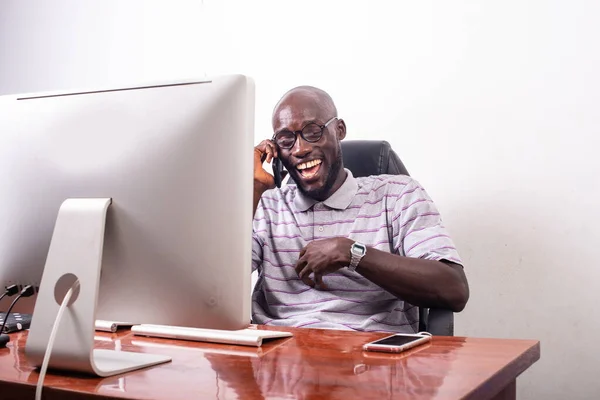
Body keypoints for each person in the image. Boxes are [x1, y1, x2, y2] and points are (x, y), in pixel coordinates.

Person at [252, 86, 469, 333]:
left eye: (313, 131)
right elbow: (212, 291)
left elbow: (454, 289)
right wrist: (252, 190)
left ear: (339, 130)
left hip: (368, 357)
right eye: (286, 139)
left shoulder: (398, 195)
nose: (300, 149)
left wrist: (352, 253)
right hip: (278, 356)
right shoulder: (266, 205)